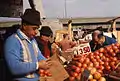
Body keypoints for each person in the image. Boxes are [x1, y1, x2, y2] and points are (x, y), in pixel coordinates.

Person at [4, 8, 52, 81]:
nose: (36, 32)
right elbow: (14, 68)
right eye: (34, 28)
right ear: (24, 26)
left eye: (37, 29)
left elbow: (39, 57)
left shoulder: (33, 41)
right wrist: (38, 65)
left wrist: (49, 62)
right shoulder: (12, 41)